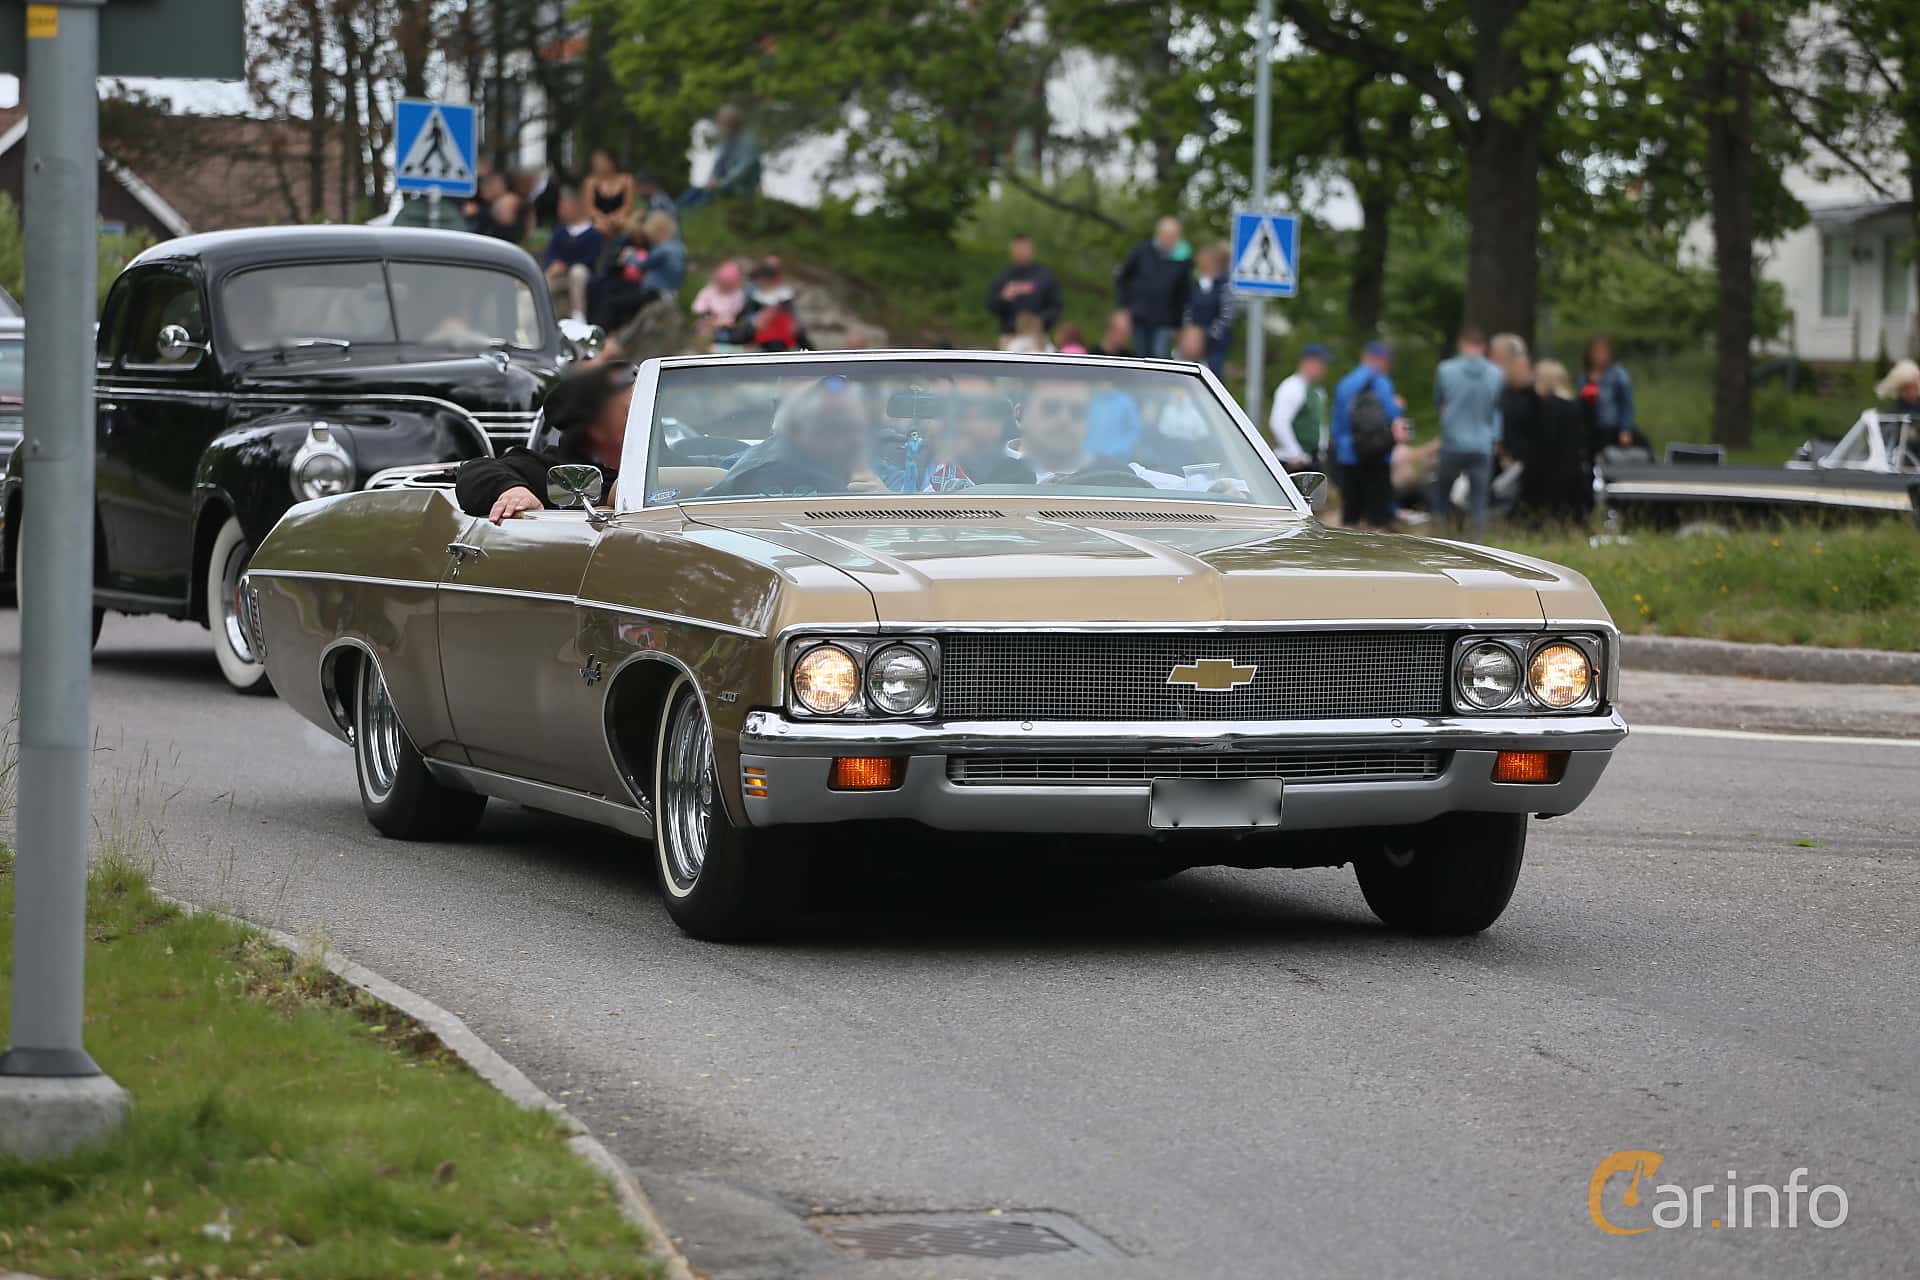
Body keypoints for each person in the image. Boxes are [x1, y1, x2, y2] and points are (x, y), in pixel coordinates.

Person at [454, 363, 633, 521]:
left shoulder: (649, 466)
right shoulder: (556, 472)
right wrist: (514, 492)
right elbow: (476, 471)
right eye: (630, 412)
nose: (643, 419)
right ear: (596, 428)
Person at [705, 376, 884, 498]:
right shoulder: (751, 467)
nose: (847, 439)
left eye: (853, 427)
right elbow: (708, 515)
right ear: (797, 430)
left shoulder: (880, 471)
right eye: (830, 427)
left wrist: (884, 498)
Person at [1431, 325, 1505, 534]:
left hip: (1452, 442)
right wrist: (1496, 437)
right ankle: (1476, 543)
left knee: (1441, 496)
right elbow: (1497, 409)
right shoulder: (1496, 374)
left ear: (1461, 344)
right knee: (1479, 501)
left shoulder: (1445, 370)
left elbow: (1439, 402)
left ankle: (1438, 537)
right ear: (1484, 346)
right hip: (1482, 443)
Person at [1330, 341, 1411, 528]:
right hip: (1375, 454)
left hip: (1347, 454)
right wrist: (1398, 406)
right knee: (1378, 518)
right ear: (1380, 360)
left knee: (1350, 516)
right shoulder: (1381, 382)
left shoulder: (1345, 383)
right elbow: (1392, 416)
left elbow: (1337, 424)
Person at [1511, 359, 1591, 525]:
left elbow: (1536, 445)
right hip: (1572, 479)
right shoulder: (1574, 407)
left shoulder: (1539, 408)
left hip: (1543, 479)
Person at [1114, 217, 1191, 359]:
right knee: (1141, 355)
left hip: (1164, 319)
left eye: (1173, 236)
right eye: (1166, 235)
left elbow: (1182, 294)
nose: (1169, 239)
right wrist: (1124, 308)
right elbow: (1123, 278)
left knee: (1159, 355)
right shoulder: (1142, 251)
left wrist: (1178, 325)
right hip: (1139, 314)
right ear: (1158, 234)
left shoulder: (1182, 260)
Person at [680, 104, 762, 207]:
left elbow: (743, 170)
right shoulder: (728, 141)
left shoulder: (748, 143)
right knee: (693, 193)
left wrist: (721, 183)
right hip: (722, 186)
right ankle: (676, 209)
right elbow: (718, 163)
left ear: (733, 123)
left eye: (723, 122)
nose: (720, 126)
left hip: (739, 189)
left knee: (701, 201)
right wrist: (712, 179)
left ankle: (691, 210)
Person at [542, 189, 605, 323]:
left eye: (564, 207)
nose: (561, 211)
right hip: (560, 275)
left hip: (582, 274)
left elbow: (591, 257)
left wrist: (566, 266)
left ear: (576, 207)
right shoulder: (559, 231)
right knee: (544, 281)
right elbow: (550, 252)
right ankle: (545, 319)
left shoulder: (593, 233)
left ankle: (579, 315)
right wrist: (552, 265)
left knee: (578, 272)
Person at [985, 234, 1063, 338]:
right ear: (1011, 251)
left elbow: (1055, 306)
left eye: (1024, 249)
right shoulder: (1004, 277)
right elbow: (991, 305)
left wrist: (1040, 320)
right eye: (1018, 249)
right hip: (1010, 336)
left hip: (1037, 337)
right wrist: (1003, 299)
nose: (1021, 252)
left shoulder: (1045, 276)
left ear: (1032, 250)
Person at [1268, 343, 1330, 471]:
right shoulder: (1291, 387)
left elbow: (1319, 424)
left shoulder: (1318, 391)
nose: (1325, 369)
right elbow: (1278, 423)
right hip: (1292, 461)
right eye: (1322, 364)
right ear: (1309, 363)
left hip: (1311, 459)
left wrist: (1321, 451)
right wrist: (1296, 454)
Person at [1185, 243, 1234, 376]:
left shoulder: (1224, 286)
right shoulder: (1197, 284)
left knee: (1214, 374)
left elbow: (1226, 315)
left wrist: (1206, 335)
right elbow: (1188, 309)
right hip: (1194, 342)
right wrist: (1190, 331)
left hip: (1215, 344)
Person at [1585, 336, 1642, 450]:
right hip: (1593, 429)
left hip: (1613, 428)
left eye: (1603, 352)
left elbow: (1626, 404)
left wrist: (1625, 429)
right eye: (1596, 352)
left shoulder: (1618, 375)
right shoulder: (1585, 376)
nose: (1599, 356)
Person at [692, 260, 749, 342]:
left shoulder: (738, 295)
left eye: (727, 285)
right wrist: (704, 310)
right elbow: (698, 304)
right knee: (702, 331)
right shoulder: (710, 290)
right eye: (722, 283)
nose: (724, 286)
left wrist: (722, 320)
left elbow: (736, 312)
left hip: (725, 324)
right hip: (707, 320)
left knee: (723, 336)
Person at [583, 148, 635, 236]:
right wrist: (601, 218)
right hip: (598, 218)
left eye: (601, 163)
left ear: (611, 162)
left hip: (620, 217)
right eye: (596, 164)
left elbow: (628, 205)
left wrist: (616, 217)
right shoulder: (590, 182)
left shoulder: (627, 180)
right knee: (599, 227)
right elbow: (589, 207)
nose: (599, 166)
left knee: (627, 226)